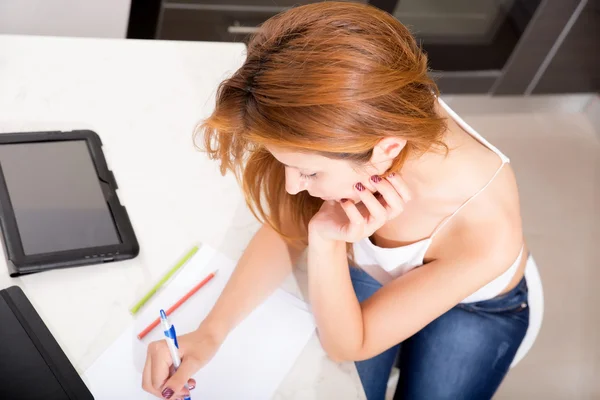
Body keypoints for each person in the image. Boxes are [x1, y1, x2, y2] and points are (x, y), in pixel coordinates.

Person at [141, 2, 530, 399]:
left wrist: (326, 241)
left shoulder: (487, 230)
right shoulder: (365, 104)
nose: (293, 187)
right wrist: (211, 332)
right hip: (374, 270)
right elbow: (286, 226)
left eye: (308, 173)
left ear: (386, 149)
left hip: (476, 307)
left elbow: (347, 344)